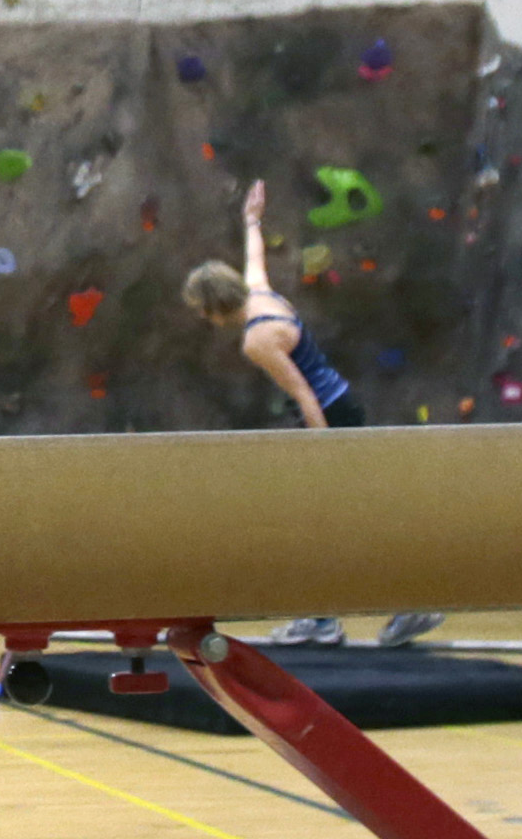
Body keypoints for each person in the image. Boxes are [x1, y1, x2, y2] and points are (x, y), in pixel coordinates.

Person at [185, 181, 444, 652]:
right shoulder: (263, 295)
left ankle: (349, 616)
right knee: (328, 517)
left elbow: (304, 394)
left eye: (203, 310)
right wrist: (251, 221)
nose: (203, 318)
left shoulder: (257, 340)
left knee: (322, 518)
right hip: (341, 406)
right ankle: (335, 615)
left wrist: (323, 453)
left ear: (215, 306)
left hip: (327, 416)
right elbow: (255, 260)